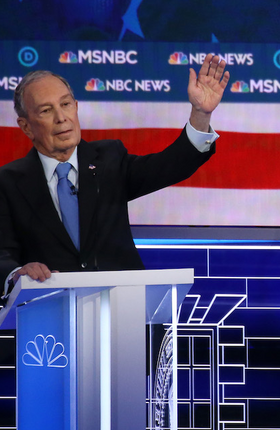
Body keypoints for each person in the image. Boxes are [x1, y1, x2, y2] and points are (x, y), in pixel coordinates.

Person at [0, 54, 230, 303]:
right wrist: (16, 274)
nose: (61, 118)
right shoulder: (9, 182)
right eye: (46, 110)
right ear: (25, 126)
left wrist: (200, 114)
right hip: (47, 316)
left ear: (76, 107)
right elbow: (3, 254)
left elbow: (170, 165)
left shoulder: (109, 160)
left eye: (65, 105)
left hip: (124, 308)